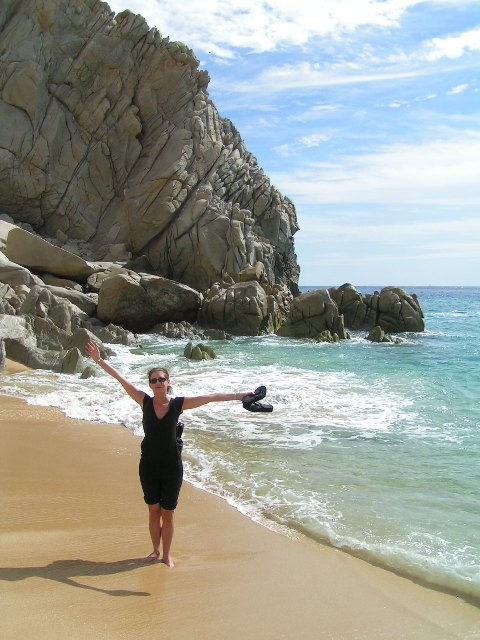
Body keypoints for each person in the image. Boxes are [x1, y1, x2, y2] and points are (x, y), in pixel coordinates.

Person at [85, 340, 252, 567]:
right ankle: (155, 551)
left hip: (172, 468)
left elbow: (210, 397)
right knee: (153, 511)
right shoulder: (144, 401)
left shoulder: (177, 405)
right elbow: (120, 379)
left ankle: (166, 555)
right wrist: (99, 361)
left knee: (168, 513)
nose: (157, 383)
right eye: (153, 380)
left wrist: (240, 396)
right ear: (150, 384)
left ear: (168, 382)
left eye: (161, 379)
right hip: (148, 467)